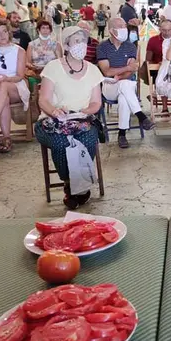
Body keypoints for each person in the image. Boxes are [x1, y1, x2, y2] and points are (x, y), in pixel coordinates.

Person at [35, 26, 103, 210]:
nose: (81, 45)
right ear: (66, 45)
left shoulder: (93, 70)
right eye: (76, 41)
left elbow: (96, 102)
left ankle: (80, 185)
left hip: (81, 119)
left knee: (88, 138)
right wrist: (54, 111)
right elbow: (43, 99)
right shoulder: (53, 67)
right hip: (52, 120)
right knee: (60, 142)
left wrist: (86, 111)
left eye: (83, 41)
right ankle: (70, 184)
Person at [97, 17, 154, 148]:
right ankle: (141, 116)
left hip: (125, 84)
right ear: (112, 31)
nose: (125, 29)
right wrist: (126, 68)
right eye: (121, 26)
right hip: (109, 86)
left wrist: (120, 74)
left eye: (125, 26)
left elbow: (131, 71)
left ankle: (122, 134)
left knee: (124, 97)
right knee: (125, 86)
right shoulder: (103, 47)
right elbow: (106, 71)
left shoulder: (130, 47)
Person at [0, 18, 30, 153]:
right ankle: (6, 138)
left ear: (9, 33)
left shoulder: (19, 50)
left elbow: (20, 75)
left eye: (4, 31)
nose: (2, 35)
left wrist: (6, 78)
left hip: (16, 84)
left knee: (3, 86)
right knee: (3, 97)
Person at [146, 19, 171, 113]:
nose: (167, 32)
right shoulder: (153, 41)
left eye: (169, 30)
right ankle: (164, 107)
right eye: (164, 30)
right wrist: (158, 63)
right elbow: (148, 60)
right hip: (157, 69)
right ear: (160, 29)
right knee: (162, 76)